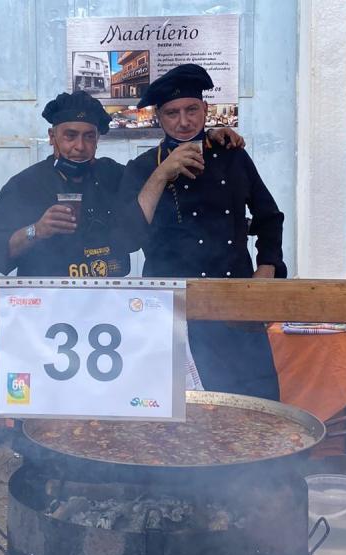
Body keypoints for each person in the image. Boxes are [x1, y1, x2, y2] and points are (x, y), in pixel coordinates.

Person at [117, 64, 286, 400]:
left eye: (192, 109)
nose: (183, 121)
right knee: (174, 411)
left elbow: (269, 217)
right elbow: (127, 239)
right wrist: (161, 174)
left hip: (234, 305)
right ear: (158, 119)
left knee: (253, 408)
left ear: (206, 110)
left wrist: (266, 271)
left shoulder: (232, 156)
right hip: (170, 311)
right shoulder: (142, 168)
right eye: (172, 113)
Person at [0, 90, 245, 278]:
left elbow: (161, 170)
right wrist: (36, 230)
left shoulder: (115, 176)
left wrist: (208, 138)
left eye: (89, 137)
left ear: (97, 140)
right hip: (47, 306)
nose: (79, 146)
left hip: (111, 303)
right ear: (51, 136)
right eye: (70, 136)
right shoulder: (25, 185)